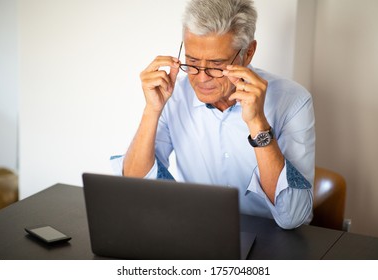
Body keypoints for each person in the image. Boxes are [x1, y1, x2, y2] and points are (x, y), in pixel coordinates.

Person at [111, 0, 315, 229]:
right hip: (198, 235)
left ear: (248, 53)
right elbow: (134, 192)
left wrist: (258, 123)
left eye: (217, 65)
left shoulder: (293, 101)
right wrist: (152, 110)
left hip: (272, 239)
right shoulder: (173, 94)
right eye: (193, 61)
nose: (202, 78)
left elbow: (293, 217)